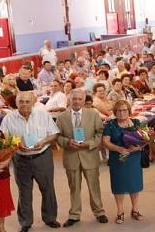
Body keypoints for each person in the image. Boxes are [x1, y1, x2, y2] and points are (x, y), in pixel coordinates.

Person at [0, 91, 61, 232]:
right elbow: (3, 138)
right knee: (24, 192)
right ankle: (26, 222)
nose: (24, 104)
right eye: (21, 101)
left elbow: (54, 133)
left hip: (42, 157)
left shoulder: (42, 114)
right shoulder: (9, 118)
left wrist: (43, 141)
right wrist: (15, 144)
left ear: (33, 102)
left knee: (48, 189)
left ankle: (50, 218)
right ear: (16, 103)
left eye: (27, 101)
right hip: (21, 160)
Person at [55, 89, 108, 227]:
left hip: (89, 156)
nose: (77, 101)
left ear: (84, 101)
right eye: (74, 99)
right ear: (69, 100)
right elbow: (57, 136)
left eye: (80, 99)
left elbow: (100, 133)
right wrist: (67, 142)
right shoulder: (61, 117)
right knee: (74, 188)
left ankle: (99, 212)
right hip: (71, 157)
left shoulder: (93, 114)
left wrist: (89, 144)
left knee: (94, 186)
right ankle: (74, 214)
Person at [101, 100, 144, 224]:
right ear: (115, 112)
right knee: (119, 185)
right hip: (117, 158)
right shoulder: (110, 124)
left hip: (134, 158)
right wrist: (119, 148)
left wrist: (137, 147)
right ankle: (120, 211)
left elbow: (144, 139)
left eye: (125, 110)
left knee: (134, 184)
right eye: (119, 110)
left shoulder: (136, 123)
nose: (122, 113)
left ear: (129, 111)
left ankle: (135, 210)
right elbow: (106, 142)